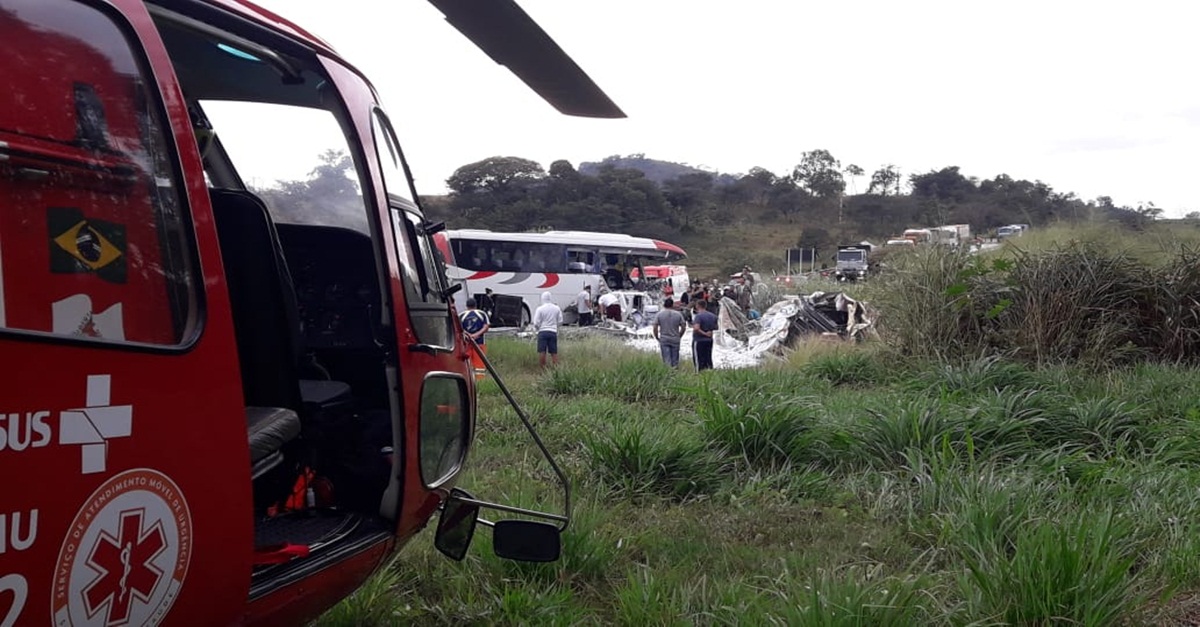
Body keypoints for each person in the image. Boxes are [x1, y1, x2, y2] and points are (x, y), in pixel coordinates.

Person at [459, 298, 490, 380]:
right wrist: (477, 334)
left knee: (466, 365)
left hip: (466, 344)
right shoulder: (482, 314)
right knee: (480, 366)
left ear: (466, 305)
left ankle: (468, 381)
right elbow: (486, 326)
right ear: (476, 305)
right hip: (479, 343)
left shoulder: (461, 315)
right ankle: (480, 381)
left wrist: (468, 335)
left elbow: (458, 329)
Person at [653, 297, 687, 367]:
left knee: (666, 359)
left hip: (664, 338)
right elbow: (683, 327)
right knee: (675, 360)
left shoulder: (659, 314)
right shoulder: (678, 314)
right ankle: (674, 373)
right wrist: (679, 335)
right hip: (675, 338)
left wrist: (657, 337)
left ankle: (668, 374)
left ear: (664, 305)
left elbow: (655, 327)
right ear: (672, 305)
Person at [532, 291, 562, 367]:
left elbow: (536, 322)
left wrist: (538, 328)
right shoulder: (556, 308)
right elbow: (560, 321)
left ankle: (543, 369)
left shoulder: (540, 309)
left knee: (542, 351)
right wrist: (556, 327)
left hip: (542, 332)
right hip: (553, 332)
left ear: (542, 298)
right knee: (553, 352)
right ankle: (556, 369)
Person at [691, 299, 718, 371]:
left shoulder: (698, 316)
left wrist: (704, 333)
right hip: (709, 340)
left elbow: (696, 328)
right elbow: (716, 327)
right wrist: (709, 332)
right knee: (708, 358)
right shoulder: (713, 316)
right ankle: (709, 372)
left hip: (699, 340)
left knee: (698, 359)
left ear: (697, 306)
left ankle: (699, 374)